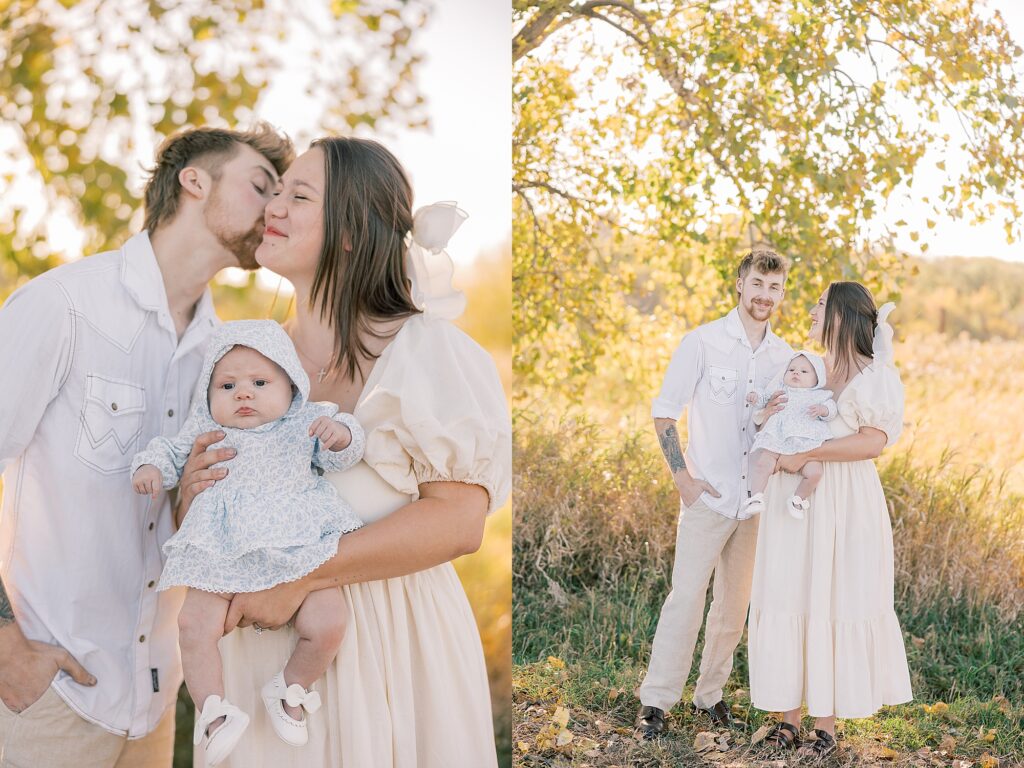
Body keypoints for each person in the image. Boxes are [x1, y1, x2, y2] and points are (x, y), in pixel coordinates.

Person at [177, 138, 511, 767]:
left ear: (353, 232)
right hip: (257, 656)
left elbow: (461, 521)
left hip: (393, 647)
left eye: (299, 195)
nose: (274, 206)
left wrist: (302, 578)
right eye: (276, 191)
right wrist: (191, 492)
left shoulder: (430, 352)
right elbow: (198, 517)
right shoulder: (241, 362)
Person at [0, 124, 294, 768]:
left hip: (155, 702)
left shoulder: (225, 360)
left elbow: (188, 525)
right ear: (195, 181)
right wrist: (4, 647)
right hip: (44, 698)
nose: (275, 208)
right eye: (260, 185)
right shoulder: (63, 305)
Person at [131, 320, 365, 763]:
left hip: (297, 548)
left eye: (260, 383)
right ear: (208, 394)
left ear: (290, 385)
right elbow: (169, 451)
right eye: (227, 385)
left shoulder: (303, 423)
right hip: (225, 548)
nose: (243, 394)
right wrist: (151, 468)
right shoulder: (208, 431)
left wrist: (342, 436)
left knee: (330, 622)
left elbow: (343, 451)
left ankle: (291, 688)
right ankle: (214, 711)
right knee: (192, 624)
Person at [634, 249, 794, 739]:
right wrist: (683, 479)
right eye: (757, 284)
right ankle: (656, 702)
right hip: (708, 497)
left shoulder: (785, 357)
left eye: (774, 288)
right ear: (740, 284)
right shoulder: (702, 342)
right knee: (685, 599)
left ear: (781, 294)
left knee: (733, 606)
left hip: (755, 503)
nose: (764, 295)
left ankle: (710, 696)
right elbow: (665, 412)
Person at [748, 286, 912, 760]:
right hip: (793, 500)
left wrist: (808, 453)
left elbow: (872, 442)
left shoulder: (875, 376)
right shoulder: (810, 369)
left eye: (820, 304)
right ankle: (788, 719)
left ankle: (825, 726)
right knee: (790, 592)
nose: (811, 310)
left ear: (841, 315)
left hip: (844, 501)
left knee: (833, 596)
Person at [743, 351, 837, 519]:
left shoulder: (820, 395)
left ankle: (798, 499)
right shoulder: (780, 390)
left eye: (804, 371)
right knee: (763, 463)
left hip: (805, 443)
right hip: (778, 438)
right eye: (791, 369)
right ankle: (756, 496)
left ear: (818, 379)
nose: (796, 373)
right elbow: (764, 397)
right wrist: (755, 396)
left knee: (815, 473)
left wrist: (823, 410)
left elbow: (832, 409)